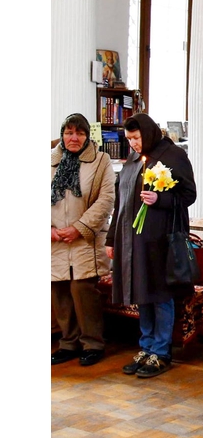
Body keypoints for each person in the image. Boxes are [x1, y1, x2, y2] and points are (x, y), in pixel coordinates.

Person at [107, 113, 197, 379]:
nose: (133, 144)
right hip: (133, 241)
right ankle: (146, 348)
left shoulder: (173, 155)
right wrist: (112, 239)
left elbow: (188, 194)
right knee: (141, 294)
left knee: (159, 295)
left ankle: (161, 351)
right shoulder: (134, 160)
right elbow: (120, 203)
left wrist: (160, 198)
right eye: (129, 139)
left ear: (147, 133)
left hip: (160, 241)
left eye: (136, 138)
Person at [51, 113, 116, 367]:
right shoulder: (48, 161)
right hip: (54, 241)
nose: (74, 138)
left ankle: (92, 343)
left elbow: (106, 199)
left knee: (82, 289)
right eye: (69, 133)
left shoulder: (101, 161)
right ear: (62, 134)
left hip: (84, 240)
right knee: (60, 290)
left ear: (87, 136)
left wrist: (79, 228)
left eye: (79, 133)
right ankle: (68, 343)